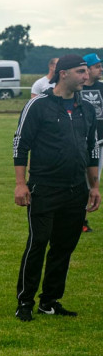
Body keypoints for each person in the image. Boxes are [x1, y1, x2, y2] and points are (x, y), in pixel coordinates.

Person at [12, 54, 99, 321]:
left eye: (86, 72)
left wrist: (94, 186)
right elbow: (20, 144)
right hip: (45, 187)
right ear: (64, 74)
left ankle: (49, 301)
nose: (86, 76)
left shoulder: (86, 108)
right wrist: (20, 184)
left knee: (64, 246)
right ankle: (25, 302)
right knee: (38, 243)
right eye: (81, 71)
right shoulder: (38, 106)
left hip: (76, 189)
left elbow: (91, 149)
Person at [80, 52, 103, 233]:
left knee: (93, 182)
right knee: (79, 181)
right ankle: (79, 219)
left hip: (99, 144)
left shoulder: (102, 88)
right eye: (97, 66)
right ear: (87, 69)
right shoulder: (76, 89)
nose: (100, 69)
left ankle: (82, 219)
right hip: (79, 143)